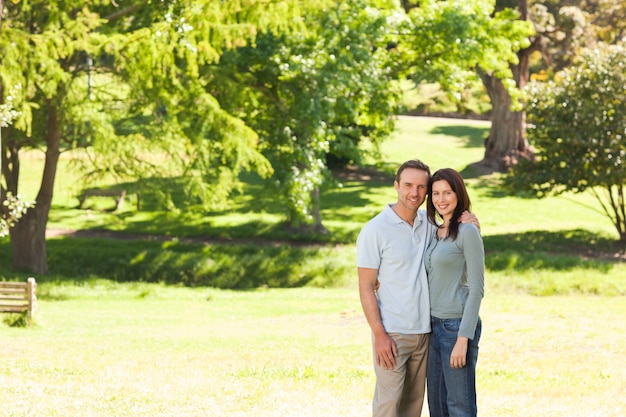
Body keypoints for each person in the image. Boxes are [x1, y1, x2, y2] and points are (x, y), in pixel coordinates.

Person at [356, 160, 479, 417]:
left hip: (427, 331)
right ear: (396, 186)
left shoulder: (429, 224)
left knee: (415, 406)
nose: (415, 192)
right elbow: (366, 286)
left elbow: (459, 247)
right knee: (389, 405)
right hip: (393, 333)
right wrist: (379, 334)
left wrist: (473, 225)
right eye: (408, 185)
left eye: (422, 187)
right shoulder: (375, 230)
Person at [425, 168, 484, 417]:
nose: (441, 199)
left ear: (458, 194)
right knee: (437, 406)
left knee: (459, 407)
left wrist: (463, 339)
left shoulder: (467, 232)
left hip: (456, 327)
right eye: (436, 193)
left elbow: (477, 289)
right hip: (432, 327)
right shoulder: (434, 232)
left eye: (447, 192)